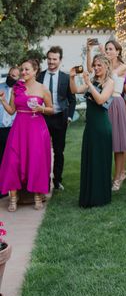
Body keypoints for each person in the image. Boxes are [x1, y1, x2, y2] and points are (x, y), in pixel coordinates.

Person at [0, 60, 53, 211]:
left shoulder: (43, 89)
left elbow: (52, 109)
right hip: (19, 128)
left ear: (35, 70)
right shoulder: (17, 88)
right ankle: (13, 198)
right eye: (22, 69)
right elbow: (11, 110)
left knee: (36, 161)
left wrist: (42, 108)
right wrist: (3, 100)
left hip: (36, 128)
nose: (23, 72)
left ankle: (37, 197)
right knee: (13, 161)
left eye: (27, 69)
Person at [87, 39, 126, 191]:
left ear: (118, 51)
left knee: (118, 144)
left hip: (116, 103)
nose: (108, 51)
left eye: (111, 49)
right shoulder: (101, 65)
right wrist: (90, 52)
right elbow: (91, 70)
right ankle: (104, 175)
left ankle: (118, 177)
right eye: (106, 48)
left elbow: (111, 74)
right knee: (105, 142)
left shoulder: (123, 66)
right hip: (103, 104)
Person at [70, 55, 115, 208]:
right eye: (95, 65)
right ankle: (88, 196)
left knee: (100, 160)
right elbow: (75, 90)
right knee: (90, 160)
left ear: (106, 66)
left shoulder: (110, 82)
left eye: (99, 65)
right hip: (90, 127)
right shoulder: (93, 81)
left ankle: (101, 197)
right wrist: (72, 78)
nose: (96, 68)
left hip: (102, 127)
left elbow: (101, 100)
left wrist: (89, 84)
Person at [37, 46, 76, 191]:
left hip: (60, 119)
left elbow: (72, 100)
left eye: (54, 59)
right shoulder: (39, 76)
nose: (51, 62)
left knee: (59, 151)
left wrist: (70, 117)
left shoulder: (66, 78)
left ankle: (57, 180)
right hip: (43, 118)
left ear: (60, 60)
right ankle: (44, 181)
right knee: (42, 151)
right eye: (49, 59)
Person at [0, 67, 19, 165]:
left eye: (13, 76)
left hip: (13, 128)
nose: (9, 77)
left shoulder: (20, 91)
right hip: (0, 127)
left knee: (11, 157)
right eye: (9, 74)